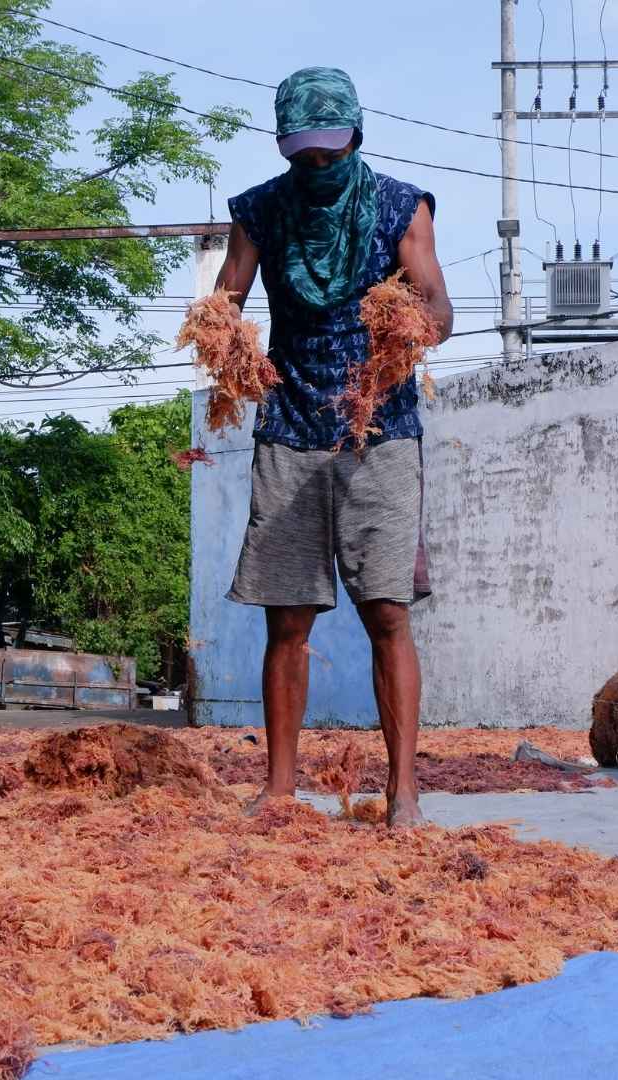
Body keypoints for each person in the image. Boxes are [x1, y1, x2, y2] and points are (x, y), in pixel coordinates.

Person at [211, 67, 454, 826]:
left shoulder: (398, 207)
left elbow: (437, 303)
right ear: (285, 147)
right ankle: (281, 790)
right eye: (303, 154)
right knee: (287, 619)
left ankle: (403, 793)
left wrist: (413, 330)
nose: (318, 165)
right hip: (289, 429)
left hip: (378, 429)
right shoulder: (260, 212)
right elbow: (229, 299)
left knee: (387, 613)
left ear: (356, 135)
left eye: (330, 152)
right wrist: (226, 344)